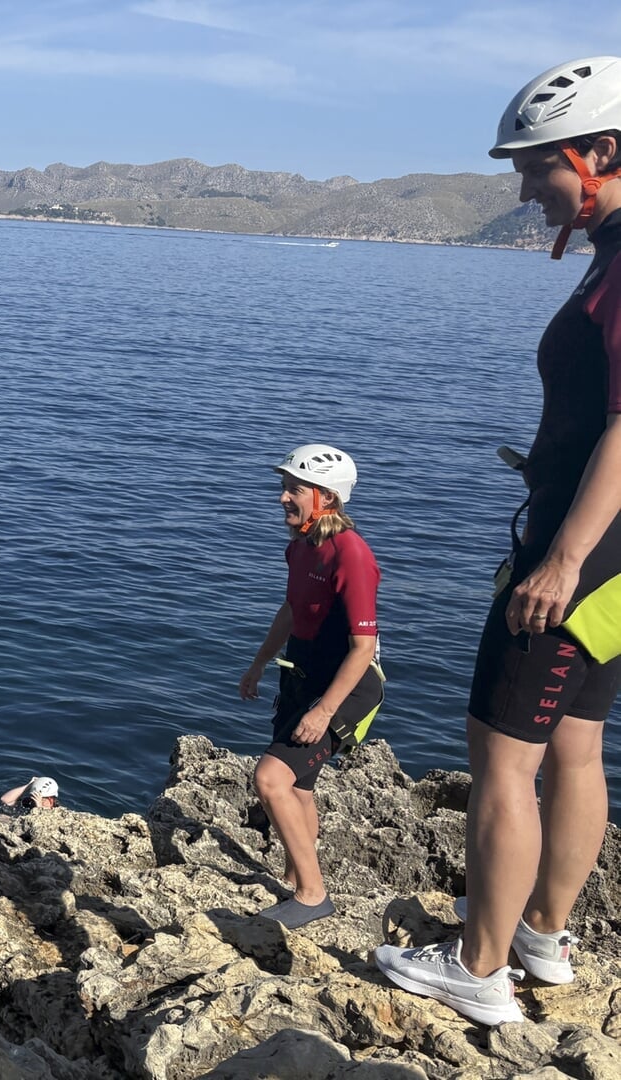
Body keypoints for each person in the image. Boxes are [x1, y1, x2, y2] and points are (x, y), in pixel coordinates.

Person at [376, 56, 621, 1026]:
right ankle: (544, 939)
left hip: (582, 553)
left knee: (502, 755)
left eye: (536, 166)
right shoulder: (609, 252)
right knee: (575, 742)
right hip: (611, 557)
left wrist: (560, 557)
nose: (524, 188)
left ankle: (478, 969)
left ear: (601, 151)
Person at [238, 445, 384, 931]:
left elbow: (363, 647)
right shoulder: (300, 546)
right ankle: (297, 872)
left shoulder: (351, 554)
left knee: (271, 779)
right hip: (299, 675)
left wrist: (323, 711)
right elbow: (291, 610)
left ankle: (312, 894)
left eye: (294, 489)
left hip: (346, 688)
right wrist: (258, 664)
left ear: (327, 497)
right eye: (284, 487)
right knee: (298, 785)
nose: (282, 497)